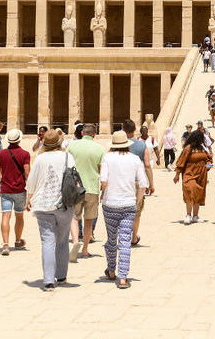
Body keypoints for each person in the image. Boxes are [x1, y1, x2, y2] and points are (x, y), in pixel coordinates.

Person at [25, 129, 77, 290]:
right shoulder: (68, 157)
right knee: (62, 242)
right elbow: (75, 178)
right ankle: (61, 276)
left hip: (43, 205)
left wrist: (28, 200)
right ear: (60, 142)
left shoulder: (40, 159)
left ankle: (48, 280)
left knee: (47, 242)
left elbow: (31, 183)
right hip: (64, 204)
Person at [100, 131, 148, 289]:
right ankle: (123, 277)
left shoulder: (107, 158)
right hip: (128, 204)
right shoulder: (135, 159)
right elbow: (143, 184)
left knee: (111, 238)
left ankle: (111, 270)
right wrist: (137, 199)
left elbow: (104, 181)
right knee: (125, 240)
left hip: (110, 204)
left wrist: (104, 192)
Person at [67, 124, 104, 259]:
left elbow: (66, 166)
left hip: (75, 187)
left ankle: (76, 241)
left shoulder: (72, 146)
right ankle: (85, 250)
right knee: (89, 220)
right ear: (94, 135)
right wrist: (104, 189)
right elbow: (102, 171)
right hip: (92, 188)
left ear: (82, 133)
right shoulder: (100, 149)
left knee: (74, 217)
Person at [0, 129, 31, 256]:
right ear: (19, 140)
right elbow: (27, 174)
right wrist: (30, 190)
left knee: (5, 216)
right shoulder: (25, 154)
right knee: (19, 216)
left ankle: (5, 244)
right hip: (20, 190)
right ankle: (18, 241)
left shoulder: (1, 154)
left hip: (5, 190)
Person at [124, 119, 155, 246]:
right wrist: (151, 184)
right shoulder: (142, 145)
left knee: (122, 209)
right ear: (135, 130)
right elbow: (147, 165)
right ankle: (133, 238)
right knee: (136, 212)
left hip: (122, 180)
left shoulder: (119, 143)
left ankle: (123, 235)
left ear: (123, 129)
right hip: (136, 181)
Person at [174, 129, 211, 224]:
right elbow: (181, 162)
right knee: (189, 191)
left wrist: (208, 165)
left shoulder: (202, 148)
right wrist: (177, 174)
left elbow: (208, 158)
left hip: (201, 174)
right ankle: (188, 214)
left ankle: (196, 216)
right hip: (189, 173)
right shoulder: (187, 148)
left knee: (198, 193)